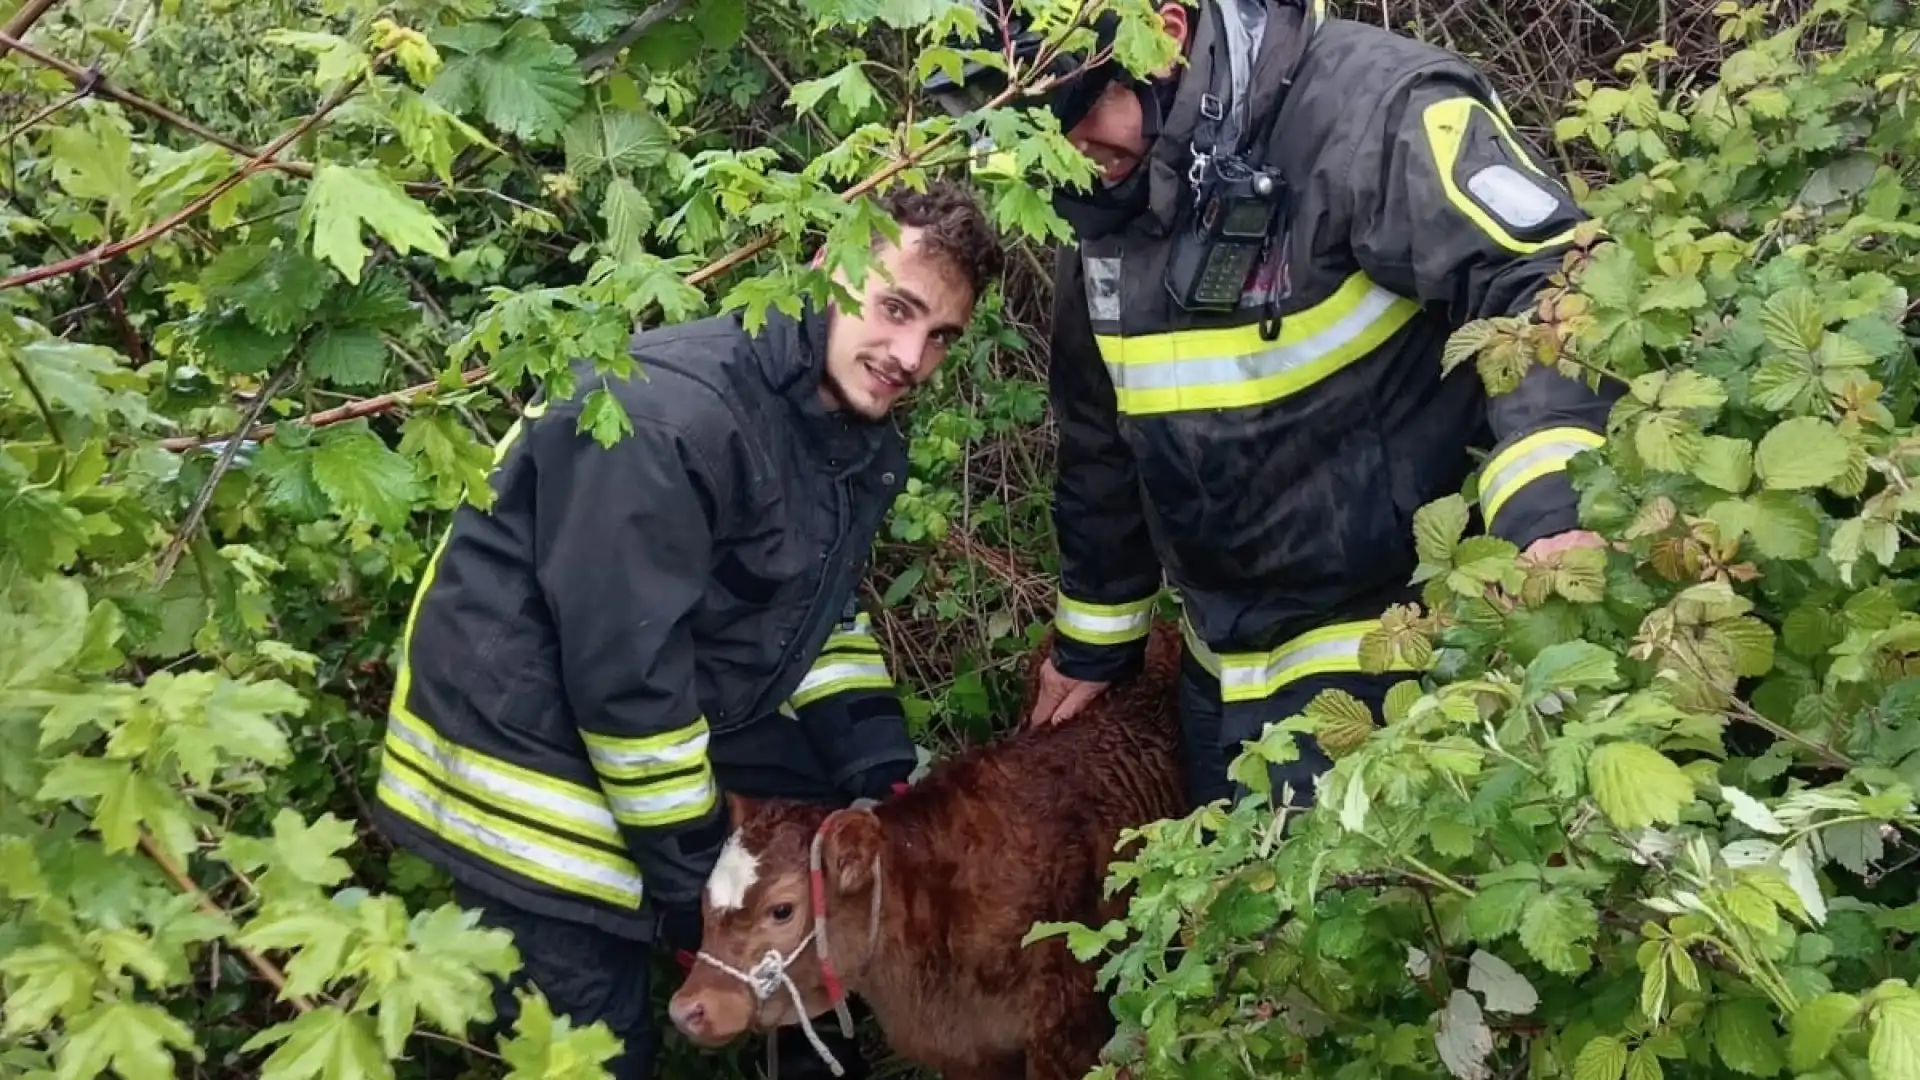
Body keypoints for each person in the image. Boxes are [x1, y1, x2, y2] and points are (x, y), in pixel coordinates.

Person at [370, 181, 1003, 1080]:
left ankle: (805, 1051)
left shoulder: (832, 426)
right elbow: (628, 687)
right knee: (601, 1050)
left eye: (939, 335)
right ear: (828, 269)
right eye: (896, 309)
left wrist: (881, 776)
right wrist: (696, 892)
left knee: (816, 855)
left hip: (652, 719)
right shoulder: (677, 418)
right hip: (526, 778)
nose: (910, 356)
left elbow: (814, 614)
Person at [925, 0, 1618, 808]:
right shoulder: (1109, 207)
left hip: (1405, 657)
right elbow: (1103, 451)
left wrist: (1551, 507)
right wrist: (1091, 652)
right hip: (1226, 678)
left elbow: (1547, 276)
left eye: (1076, 121)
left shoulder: (1372, 110)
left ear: (1165, 37)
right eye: (1036, 149)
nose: (1072, 164)